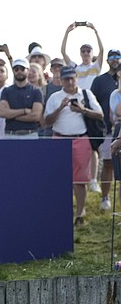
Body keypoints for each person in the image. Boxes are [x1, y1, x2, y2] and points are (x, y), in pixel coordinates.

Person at [44, 66, 104, 226]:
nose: (70, 82)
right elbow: (46, 121)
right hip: (59, 138)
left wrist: (83, 110)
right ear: (61, 80)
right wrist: (60, 108)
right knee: (58, 179)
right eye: (66, 79)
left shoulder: (86, 94)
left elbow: (100, 114)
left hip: (80, 139)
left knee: (80, 180)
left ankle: (80, 213)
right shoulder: (55, 97)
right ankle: (61, 213)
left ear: (77, 77)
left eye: (72, 78)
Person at [90, 49, 121, 210]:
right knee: (108, 163)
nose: (115, 59)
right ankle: (105, 197)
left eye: (118, 56)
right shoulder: (99, 81)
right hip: (108, 129)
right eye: (112, 57)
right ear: (107, 60)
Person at [0, 59, 43, 139]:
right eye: (16, 69)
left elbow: (36, 116)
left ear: (28, 70)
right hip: (10, 134)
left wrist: (12, 116)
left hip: (30, 134)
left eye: (22, 69)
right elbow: (2, 112)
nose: (19, 71)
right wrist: (24, 111)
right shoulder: (6, 91)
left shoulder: (36, 91)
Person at [61, 22, 104, 90]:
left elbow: (101, 50)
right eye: (83, 51)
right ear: (80, 54)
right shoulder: (75, 68)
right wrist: (67, 32)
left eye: (88, 51)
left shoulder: (96, 66)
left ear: (92, 53)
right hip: (79, 97)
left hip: (93, 97)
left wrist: (95, 31)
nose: (85, 53)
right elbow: (63, 52)